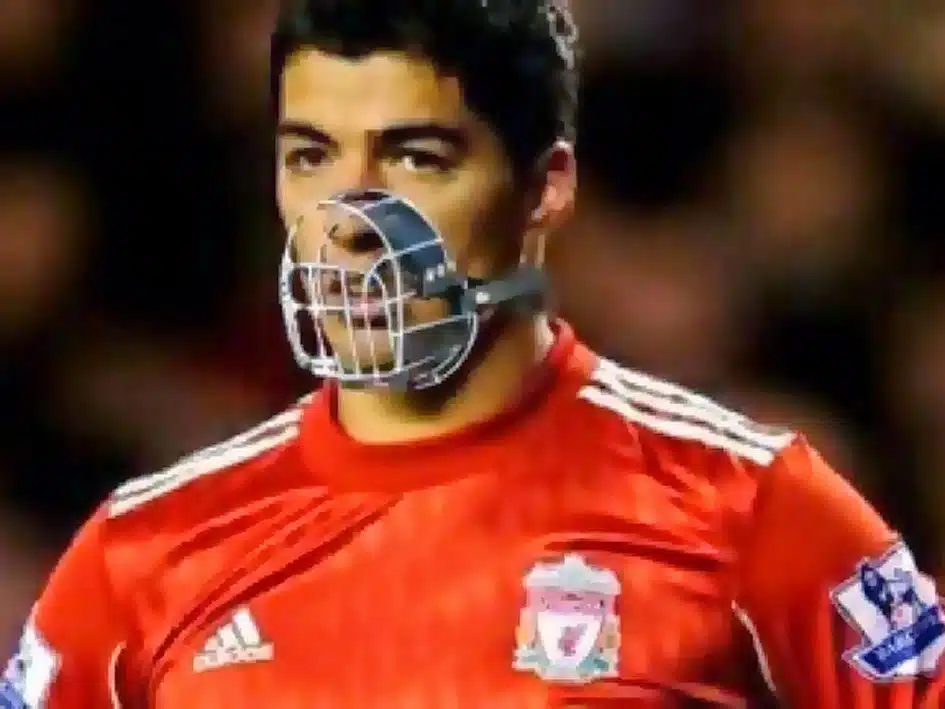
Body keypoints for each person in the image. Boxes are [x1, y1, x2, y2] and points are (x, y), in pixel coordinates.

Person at [3, 1, 945, 707]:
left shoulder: (743, 504)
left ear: (545, 186)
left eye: (417, 157)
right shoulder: (144, 556)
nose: (351, 218)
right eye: (310, 156)